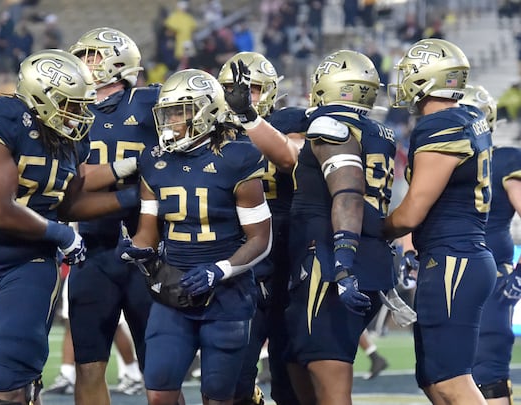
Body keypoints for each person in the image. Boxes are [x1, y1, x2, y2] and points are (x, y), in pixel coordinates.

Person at [0, 49, 139, 405]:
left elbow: (70, 202)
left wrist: (132, 197)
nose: (80, 113)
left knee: (8, 381)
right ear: (42, 96)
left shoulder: (73, 137)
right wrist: (63, 234)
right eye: (71, 104)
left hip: (27, 264)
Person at [116, 68, 272, 405]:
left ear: (206, 111)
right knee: (159, 391)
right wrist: (137, 250)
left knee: (217, 398)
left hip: (227, 294)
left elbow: (260, 238)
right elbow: (147, 231)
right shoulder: (154, 162)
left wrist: (220, 270)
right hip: (173, 288)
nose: (169, 121)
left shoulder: (238, 157)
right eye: (167, 112)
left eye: (178, 112)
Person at [384, 38, 496, 405]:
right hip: (456, 254)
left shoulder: (441, 125)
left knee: (451, 382)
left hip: (454, 257)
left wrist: (371, 228)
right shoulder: (469, 117)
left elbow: (413, 210)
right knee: (434, 380)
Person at [285, 49, 397, 405]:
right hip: (372, 257)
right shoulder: (381, 132)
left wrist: (343, 263)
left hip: (332, 259)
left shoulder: (329, 126)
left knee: (330, 382)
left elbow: (348, 195)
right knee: (303, 367)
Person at [65, 27, 158, 405]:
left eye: (93, 56)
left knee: (160, 372)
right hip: (92, 250)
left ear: (119, 61)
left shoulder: (152, 101)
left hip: (150, 250)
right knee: (88, 367)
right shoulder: (69, 112)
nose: (85, 64)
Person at [218, 51, 305, 405]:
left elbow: (292, 156)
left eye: (252, 88)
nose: (243, 95)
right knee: (233, 379)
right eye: (234, 89)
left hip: (287, 257)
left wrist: (250, 119)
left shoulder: (291, 120)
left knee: (292, 377)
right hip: (239, 261)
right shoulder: (213, 129)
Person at [460, 84, 518, 405]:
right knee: (444, 372)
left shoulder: (505, 160)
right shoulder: (438, 162)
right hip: (450, 276)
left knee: (488, 369)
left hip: (491, 277)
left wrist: (520, 274)